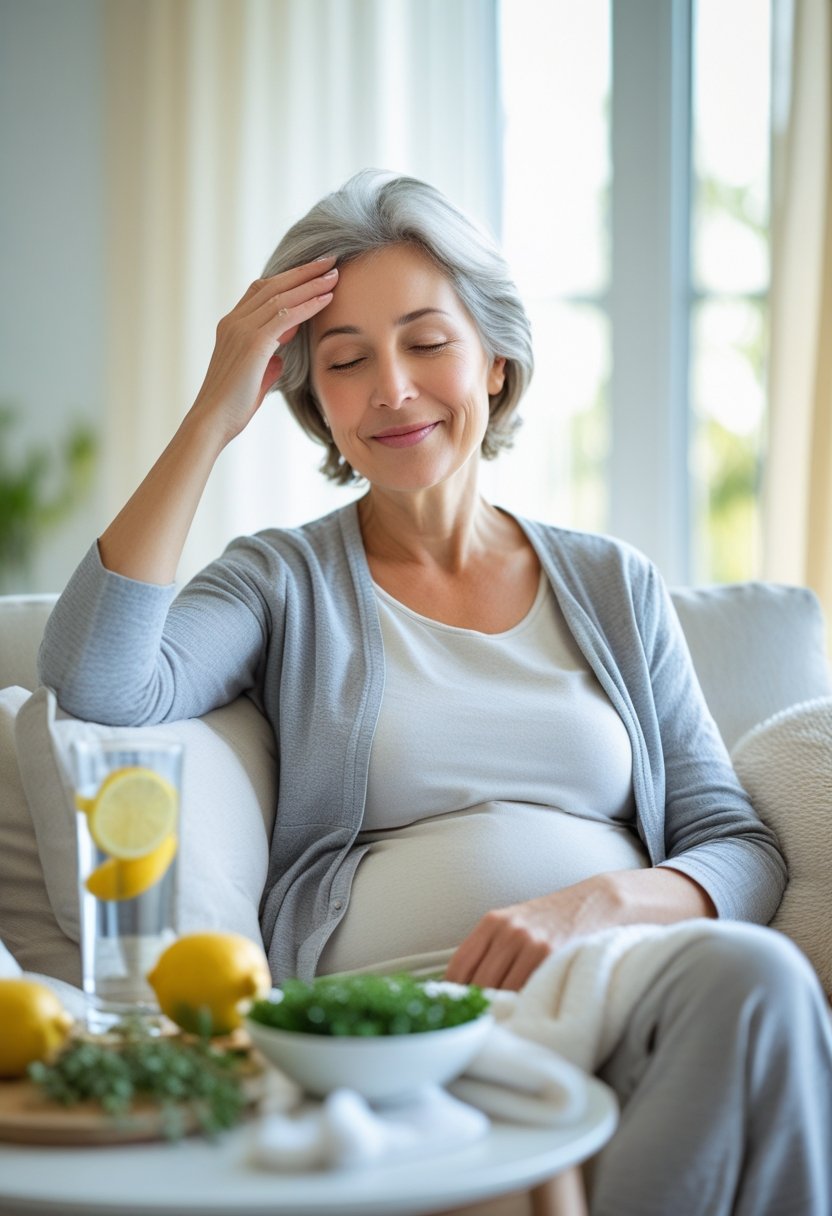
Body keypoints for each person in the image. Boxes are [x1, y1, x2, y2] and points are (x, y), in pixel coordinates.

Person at [40, 170, 831, 1215]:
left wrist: (595, 902)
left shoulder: (610, 582)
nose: (394, 391)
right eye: (347, 361)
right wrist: (211, 411)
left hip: (619, 983)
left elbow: (738, 843)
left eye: (426, 342)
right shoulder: (282, 579)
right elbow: (100, 682)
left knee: (762, 980)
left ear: (495, 360)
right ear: (311, 398)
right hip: (396, 1023)